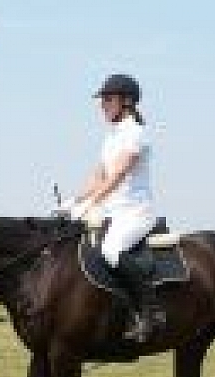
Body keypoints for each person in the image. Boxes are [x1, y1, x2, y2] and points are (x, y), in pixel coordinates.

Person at [66, 74, 158, 342]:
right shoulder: (112, 136)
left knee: (111, 251)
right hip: (111, 212)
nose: (102, 105)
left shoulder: (136, 134)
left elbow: (117, 176)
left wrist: (90, 203)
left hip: (135, 213)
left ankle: (149, 312)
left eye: (107, 99)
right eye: (102, 100)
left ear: (126, 101)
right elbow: (98, 176)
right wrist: (74, 201)